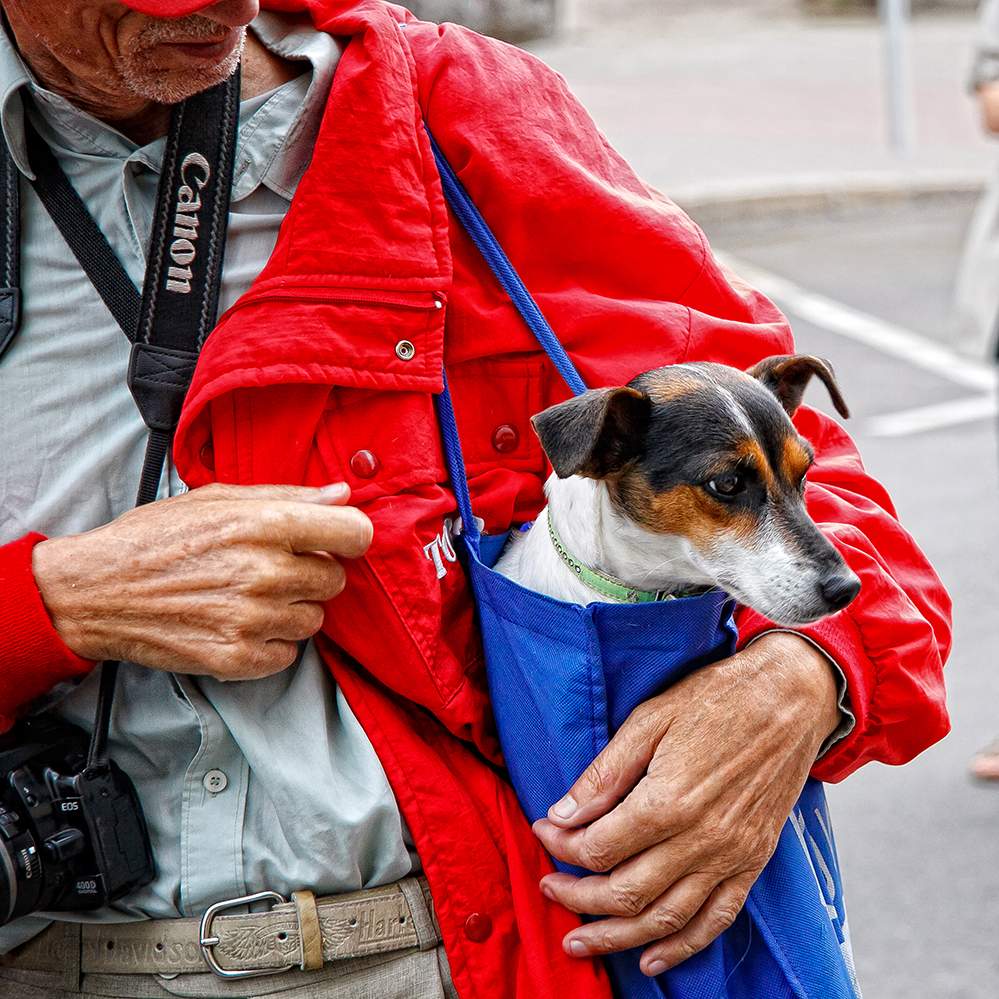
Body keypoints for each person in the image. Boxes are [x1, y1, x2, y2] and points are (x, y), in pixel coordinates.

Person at [0, 1, 950, 997]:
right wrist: (48, 607)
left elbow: (809, 484)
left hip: (448, 952)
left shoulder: (449, 114)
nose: (230, 7)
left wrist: (800, 679)